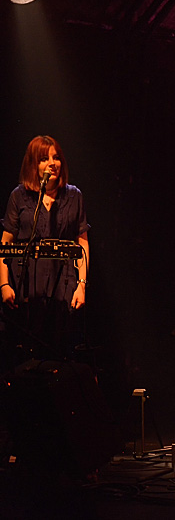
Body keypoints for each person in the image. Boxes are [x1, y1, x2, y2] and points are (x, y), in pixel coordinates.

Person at [0, 135, 89, 367]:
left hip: (64, 286)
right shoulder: (19, 196)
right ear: (33, 165)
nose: (52, 163)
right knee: (25, 355)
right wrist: (4, 284)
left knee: (61, 352)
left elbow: (82, 243)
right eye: (44, 159)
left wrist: (82, 285)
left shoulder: (74, 196)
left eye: (56, 157)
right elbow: (6, 243)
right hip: (27, 286)